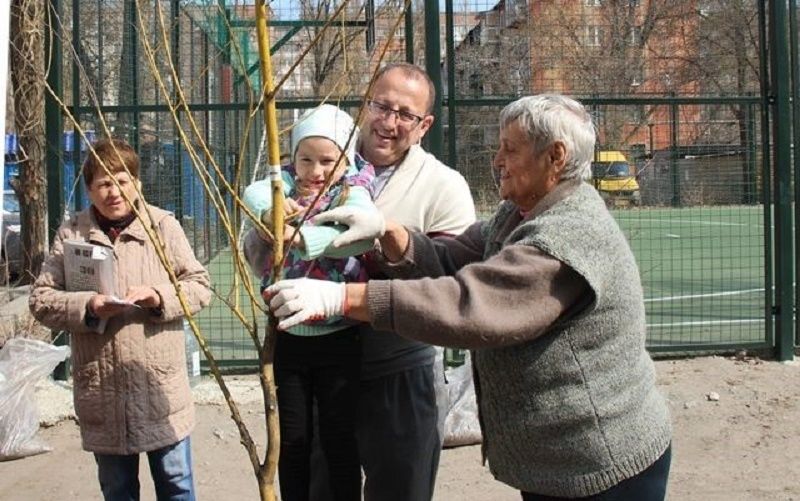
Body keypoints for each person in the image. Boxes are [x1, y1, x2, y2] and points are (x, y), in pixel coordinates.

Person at [265, 94, 673, 500]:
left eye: (509, 149)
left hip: (602, 461)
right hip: (559, 458)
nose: (497, 160)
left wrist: (343, 299)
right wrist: (386, 230)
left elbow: (471, 306)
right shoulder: (516, 214)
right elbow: (449, 258)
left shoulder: (567, 235)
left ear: (555, 157)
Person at [243, 62, 476, 501]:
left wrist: (371, 256)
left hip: (401, 369)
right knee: (321, 484)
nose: (389, 123)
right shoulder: (311, 163)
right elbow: (257, 257)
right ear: (364, 107)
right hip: (316, 364)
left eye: (405, 114)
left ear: (424, 125)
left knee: (401, 489)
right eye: (381, 106)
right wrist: (272, 232)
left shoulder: (444, 186)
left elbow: (449, 287)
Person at [29, 138, 212, 501]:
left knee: (177, 485)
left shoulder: (163, 227)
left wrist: (159, 297)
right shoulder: (72, 234)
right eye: (103, 183)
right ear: (89, 189)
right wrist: (88, 306)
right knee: (117, 490)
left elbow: (199, 286)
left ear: (137, 183)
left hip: (161, 390)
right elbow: (41, 299)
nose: (114, 192)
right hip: (103, 391)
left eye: (123, 180)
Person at [241, 104, 378, 501]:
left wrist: (302, 240)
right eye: (306, 159)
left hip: (338, 330)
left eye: (326, 161)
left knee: (339, 437)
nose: (315, 171)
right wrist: (272, 213)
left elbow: (361, 234)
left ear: (346, 159)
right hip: (288, 334)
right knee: (293, 437)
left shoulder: (354, 188)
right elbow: (252, 192)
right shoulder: (282, 184)